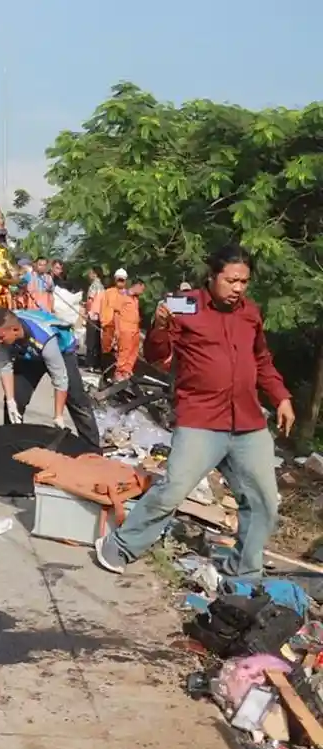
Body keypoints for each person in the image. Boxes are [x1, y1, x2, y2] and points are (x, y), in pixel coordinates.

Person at [95, 244, 292, 578]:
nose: (238, 288)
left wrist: (281, 396)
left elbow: (261, 358)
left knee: (263, 502)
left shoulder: (250, 312)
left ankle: (242, 573)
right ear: (212, 277)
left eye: (244, 281)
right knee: (173, 489)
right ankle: (120, 547)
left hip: (247, 421)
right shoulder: (182, 303)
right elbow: (157, 353)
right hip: (201, 417)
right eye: (231, 280)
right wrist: (158, 326)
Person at [0, 306, 100, 445]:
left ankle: (92, 450)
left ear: (15, 330)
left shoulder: (45, 339)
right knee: (16, 399)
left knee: (77, 401)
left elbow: (60, 379)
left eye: (1, 337)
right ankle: (13, 444)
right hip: (29, 355)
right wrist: (10, 401)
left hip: (61, 352)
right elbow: (5, 366)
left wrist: (58, 416)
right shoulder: (4, 332)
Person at [100, 269, 143, 381]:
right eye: (142, 288)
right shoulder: (121, 296)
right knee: (124, 352)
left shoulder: (135, 299)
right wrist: (117, 330)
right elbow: (116, 313)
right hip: (125, 329)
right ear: (137, 286)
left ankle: (127, 371)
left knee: (133, 353)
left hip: (135, 329)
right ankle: (119, 373)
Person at [84, 268, 105, 370]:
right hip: (100, 316)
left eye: (91, 273)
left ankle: (90, 364)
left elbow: (90, 301)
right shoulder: (102, 287)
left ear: (95, 274)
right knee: (97, 341)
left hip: (92, 315)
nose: (89, 275)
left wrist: (86, 310)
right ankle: (98, 364)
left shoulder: (93, 286)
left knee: (91, 341)